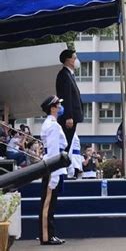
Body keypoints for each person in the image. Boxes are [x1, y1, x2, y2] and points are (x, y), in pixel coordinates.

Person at [39, 95, 67, 245]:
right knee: (48, 205)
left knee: (50, 204)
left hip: (52, 167)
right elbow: (54, 151)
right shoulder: (53, 125)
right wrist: (55, 174)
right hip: (52, 168)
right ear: (52, 108)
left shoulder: (52, 123)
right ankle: (46, 236)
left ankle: (50, 234)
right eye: (58, 105)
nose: (60, 107)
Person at [56, 49, 84, 152]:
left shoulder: (69, 75)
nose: (76, 60)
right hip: (69, 118)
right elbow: (66, 97)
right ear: (68, 60)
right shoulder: (64, 75)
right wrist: (68, 116)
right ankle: (60, 165)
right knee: (65, 144)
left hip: (73, 116)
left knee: (68, 142)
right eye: (74, 58)